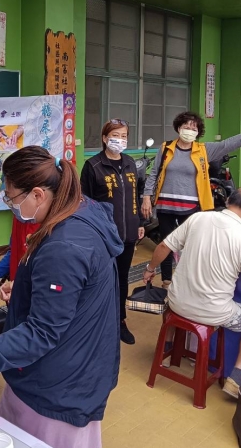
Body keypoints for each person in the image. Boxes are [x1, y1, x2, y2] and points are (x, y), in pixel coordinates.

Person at [0, 146, 122, 448]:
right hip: (77, 366)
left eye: (11, 197)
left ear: (38, 194)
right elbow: (72, 295)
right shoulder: (79, 211)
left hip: (57, 388)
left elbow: (42, 332)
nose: (11, 205)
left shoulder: (65, 246)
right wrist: (25, 289)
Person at [143, 187, 241, 398]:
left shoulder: (198, 218)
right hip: (213, 313)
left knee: (172, 298)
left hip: (177, 303)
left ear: (228, 202)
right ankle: (236, 379)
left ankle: (167, 349)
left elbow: (164, 246)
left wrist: (149, 269)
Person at [142, 112, 241, 286]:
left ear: (198, 132)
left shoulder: (203, 150)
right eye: (186, 127)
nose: (189, 131)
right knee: (166, 244)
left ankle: (188, 282)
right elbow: (154, 173)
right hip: (165, 205)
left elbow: (229, 144)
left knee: (193, 247)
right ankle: (166, 281)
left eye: (194, 128)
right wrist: (147, 196)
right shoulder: (166, 148)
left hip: (191, 208)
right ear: (178, 128)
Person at [80, 118, 144, 345]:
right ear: (105, 138)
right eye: (115, 135)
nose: (120, 140)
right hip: (104, 236)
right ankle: (97, 321)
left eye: (124, 136)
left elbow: (135, 196)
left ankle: (120, 321)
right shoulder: (93, 166)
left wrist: (139, 223)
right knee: (101, 279)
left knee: (122, 278)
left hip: (128, 233)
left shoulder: (130, 163)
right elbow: (84, 202)